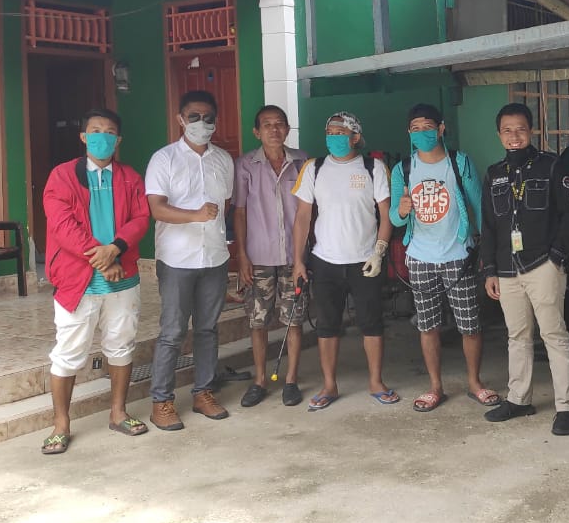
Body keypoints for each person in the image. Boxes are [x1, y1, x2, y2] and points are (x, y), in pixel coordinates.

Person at [40, 108, 150, 454]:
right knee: (68, 353)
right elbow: (62, 225)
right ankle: (61, 425)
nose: (103, 136)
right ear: (84, 137)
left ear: (118, 140)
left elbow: (141, 218)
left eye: (110, 131)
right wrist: (102, 260)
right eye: (96, 130)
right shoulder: (62, 176)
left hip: (122, 278)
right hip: (78, 281)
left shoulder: (130, 177)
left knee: (121, 345)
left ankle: (118, 413)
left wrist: (115, 249)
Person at [390, 103, 500, 412]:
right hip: (420, 257)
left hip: (458, 255)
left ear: (440, 129)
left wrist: (485, 251)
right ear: (408, 133)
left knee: (470, 325)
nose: (421, 133)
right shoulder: (402, 169)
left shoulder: (458, 162)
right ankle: (435, 387)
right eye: (415, 129)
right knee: (428, 326)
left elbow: (479, 206)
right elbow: (394, 218)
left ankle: (474, 383)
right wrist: (401, 211)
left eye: (427, 127)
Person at [480, 102, 569, 435]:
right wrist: (490, 270)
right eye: (507, 130)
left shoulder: (552, 166)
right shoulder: (494, 174)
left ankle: (566, 406)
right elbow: (488, 226)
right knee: (517, 336)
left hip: (542, 265)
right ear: (499, 135)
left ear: (531, 131)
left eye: (520, 129)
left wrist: (557, 257)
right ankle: (519, 399)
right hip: (507, 268)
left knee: (554, 334)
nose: (514, 136)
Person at [291, 111, 398, 410]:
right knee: (327, 325)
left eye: (340, 132)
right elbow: (302, 217)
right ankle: (329, 385)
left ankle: (376, 382)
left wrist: (379, 251)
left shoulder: (373, 167)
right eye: (330, 132)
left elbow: (386, 214)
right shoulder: (314, 168)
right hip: (325, 260)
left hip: (365, 260)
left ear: (355, 137)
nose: (334, 137)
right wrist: (298, 261)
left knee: (372, 323)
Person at [145, 89, 235, 430]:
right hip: (177, 260)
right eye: (194, 116)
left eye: (208, 117)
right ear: (180, 119)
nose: (201, 123)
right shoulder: (164, 159)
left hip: (214, 257)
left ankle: (203, 393)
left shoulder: (223, 160)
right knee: (172, 331)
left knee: (208, 329)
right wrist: (195, 215)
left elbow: (227, 205)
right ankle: (161, 401)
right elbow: (157, 208)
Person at [234, 104, 310, 409]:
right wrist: (242, 256)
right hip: (259, 256)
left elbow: (309, 211)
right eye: (267, 125)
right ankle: (260, 380)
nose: (274, 130)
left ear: (287, 129)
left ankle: (290, 380)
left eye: (279, 124)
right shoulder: (245, 165)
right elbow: (240, 211)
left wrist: (305, 254)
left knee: (294, 319)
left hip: (295, 256)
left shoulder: (302, 161)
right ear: (257, 132)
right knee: (258, 321)